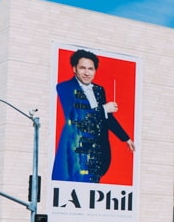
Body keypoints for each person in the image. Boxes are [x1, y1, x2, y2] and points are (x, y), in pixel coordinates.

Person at [52, 49, 135, 183]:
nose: (86, 72)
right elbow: (75, 116)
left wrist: (126, 138)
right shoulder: (64, 87)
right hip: (75, 151)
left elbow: (107, 119)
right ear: (74, 69)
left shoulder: (98, 90)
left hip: (97, 153)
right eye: (82, 68)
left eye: (90, 69)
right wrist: (103, 109)